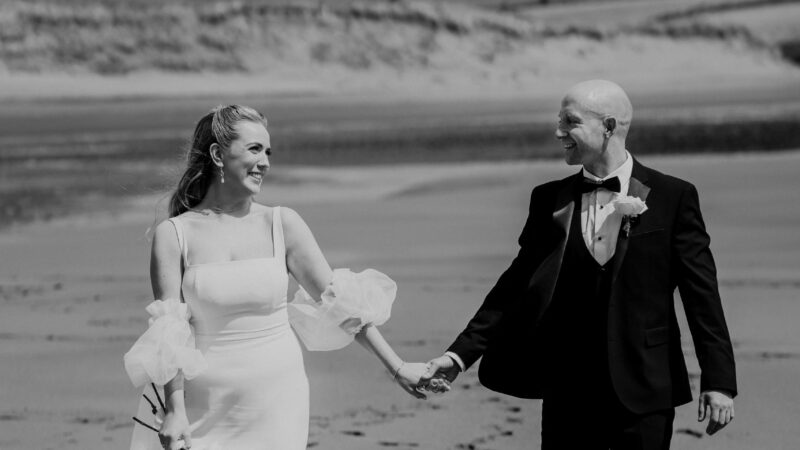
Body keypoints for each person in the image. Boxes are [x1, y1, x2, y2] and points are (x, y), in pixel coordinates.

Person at [422, 80, 737, 449]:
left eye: (569, 122)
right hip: (566, 392)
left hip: (645, 388)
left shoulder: (674, 197)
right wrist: (459, 356)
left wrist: (718, 381)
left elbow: (702, 297)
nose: (558, 132)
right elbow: (512, 288)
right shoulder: (548, 201)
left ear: (608, 127)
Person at [123, 105, 429, 450]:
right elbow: (169, 332)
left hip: (276, 402)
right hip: (200, 405)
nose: (265, 162)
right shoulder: (173, 234)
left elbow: (340, 304)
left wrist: (398, 366)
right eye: (255, 149)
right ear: (217, 154)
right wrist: (174, 411)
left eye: (268, 151)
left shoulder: (282, 224)